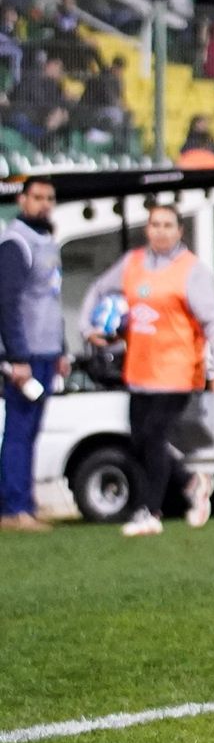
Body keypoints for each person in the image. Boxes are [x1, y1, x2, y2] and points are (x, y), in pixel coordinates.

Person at [81, 204, 214, 536]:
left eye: (168, 225)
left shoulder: (191, 270)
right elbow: (98, 290)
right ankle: (191, 481)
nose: (161, 231)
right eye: (155, 224)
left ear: (180, 231)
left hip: (178, 370)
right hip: (140, 369)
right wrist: (87, 327)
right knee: (139, 442)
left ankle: (149, 512)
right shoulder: (132, 264)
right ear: (146, 229)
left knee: (153, 435)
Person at [0, 177, 66, 532]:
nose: (44, 204)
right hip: (26, 352)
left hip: (46, 349)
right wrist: (17, 356)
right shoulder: (15, 243)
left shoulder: (46, 241)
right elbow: (7, 303)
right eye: (37, 197)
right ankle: (13, 507)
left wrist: (62, 348)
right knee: (19, 430)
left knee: (31, 429)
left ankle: (23, 500)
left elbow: (51, 301)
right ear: (22, 200)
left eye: (49, 198)